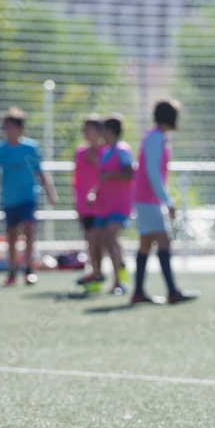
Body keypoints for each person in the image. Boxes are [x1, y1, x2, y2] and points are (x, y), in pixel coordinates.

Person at [131, 99, 198, 305]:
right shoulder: (157, 138)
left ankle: (138, 292)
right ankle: (172, 292)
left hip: (143, 197)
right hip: (149, 199)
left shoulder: (154, 136)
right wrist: (167, 201)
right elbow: (153, 172)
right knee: (164, 242)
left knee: (145, 243)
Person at [0, 106, 58, 286]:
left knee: (30, 230)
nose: (9, 131)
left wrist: (50, 191)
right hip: (10, 199)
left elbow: (41, 171)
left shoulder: (31, 147)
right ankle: (12, 271)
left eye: (13, 127)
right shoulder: (1, 149)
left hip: (29, 197)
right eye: (6, 127)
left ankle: (30, 269)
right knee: (11, 235)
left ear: (21, 128)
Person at [93, 113, 134, 296]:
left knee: (110, 238)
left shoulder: (122, 149)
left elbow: (131, 173)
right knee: (107, 240)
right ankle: (121, 271)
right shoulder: (104, 151)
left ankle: (118, 282)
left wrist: (112, 175)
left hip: (121, 204)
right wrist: (94, 192)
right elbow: (102, 177)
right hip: (106, 205)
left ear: (109, 131)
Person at [73, 115, 105, 291]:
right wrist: (77, 202)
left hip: (104, 204)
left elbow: (108, 175)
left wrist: (97, 162)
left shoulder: (106, 152)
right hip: (87, 206)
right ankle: (96, 272)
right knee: (91, 239)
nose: (85, 132)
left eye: (89, 129)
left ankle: (105, 272)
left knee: (104, 241)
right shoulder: (80, 152)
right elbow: (76, 180)